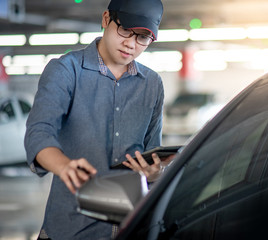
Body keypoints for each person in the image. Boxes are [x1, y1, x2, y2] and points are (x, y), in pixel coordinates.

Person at [24, 0, 169, 239]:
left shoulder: (152, 84)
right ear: (105, 19)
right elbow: (39, 133)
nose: (131, 44)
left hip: (130, 227)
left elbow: (154, 151)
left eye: (142, 38)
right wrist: (64, 166)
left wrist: (156, 171)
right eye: (125, 30)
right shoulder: (66, 71)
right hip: (71, 229)